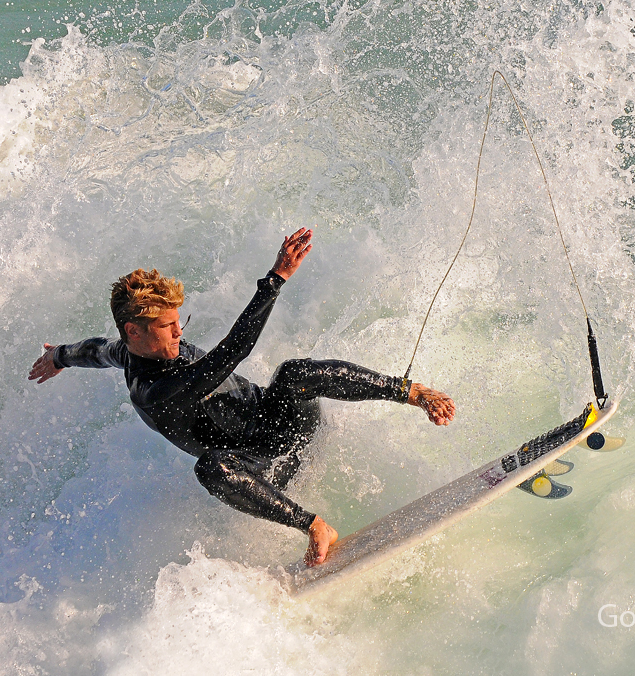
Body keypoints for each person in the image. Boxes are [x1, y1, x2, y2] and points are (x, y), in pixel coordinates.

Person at [28, 228, 455, 565]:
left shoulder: (124, 348)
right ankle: (313, 525)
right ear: (135, 332)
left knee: (292, 374)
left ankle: (409, 391)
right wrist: (275, 280)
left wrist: (61, 357)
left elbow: (95, 349)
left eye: (180, 321)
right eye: (168, 327)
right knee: (212, 467)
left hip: (286, 424)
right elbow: (235, 350)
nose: (180, 332)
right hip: (266, 465)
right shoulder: (158, 391)